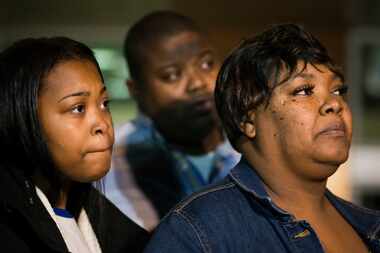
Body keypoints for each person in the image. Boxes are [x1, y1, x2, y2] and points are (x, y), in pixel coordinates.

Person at [144, 24, 380, 253]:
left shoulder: (370, 225)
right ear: (248, 120)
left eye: (338, 90)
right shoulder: (195, 232)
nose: (334, 104)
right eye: (304, 90)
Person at [0, 37, 149, 253]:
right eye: (78, 108)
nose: (102, 123)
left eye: (104, 103)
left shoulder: (114, 229)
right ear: (22, 118)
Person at [104, 10, 240, 230]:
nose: (197, 82)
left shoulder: (254, 143)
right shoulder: (108, 161)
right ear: (136, 90)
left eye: (206, 64)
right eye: (171, 75)